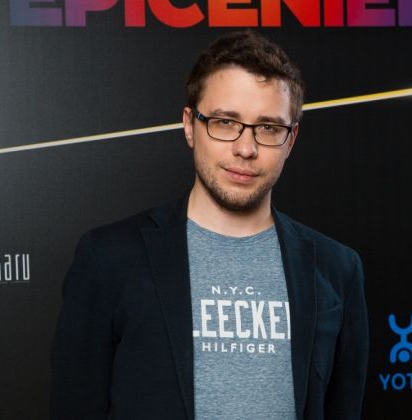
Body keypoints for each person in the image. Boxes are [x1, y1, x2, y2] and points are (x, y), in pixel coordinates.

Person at [50, 30, 368, 420]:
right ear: (189, 125)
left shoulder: (337, 269)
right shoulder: (109, 259)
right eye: (225, 122)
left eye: (268, 128)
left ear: (291, 139)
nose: (245, 148)